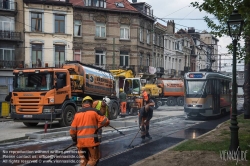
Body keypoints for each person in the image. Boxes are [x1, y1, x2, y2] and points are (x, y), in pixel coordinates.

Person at [70, 96, 110, 166]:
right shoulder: (95, 112)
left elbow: (72, 131)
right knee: (93, 160)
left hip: (80, 143)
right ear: (91, 104)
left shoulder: (77, 114)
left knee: (83, 161)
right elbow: (106, 121)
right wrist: (98, 126)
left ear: (82, 104)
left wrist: (74, 140)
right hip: (92, 142)